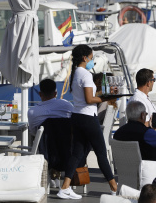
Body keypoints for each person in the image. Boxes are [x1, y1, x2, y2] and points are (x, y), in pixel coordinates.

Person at [57, 44, 118, 200]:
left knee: (76, 153)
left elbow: (87, 95)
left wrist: (104, 93)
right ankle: (114, 188)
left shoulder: (76, 72)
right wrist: (107, 98)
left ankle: (65, 187)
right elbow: (90, 99)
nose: (93, 61)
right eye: (92, 58)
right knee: (101, 153)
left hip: (77, 116)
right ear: (85, 58)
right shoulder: (85, 74)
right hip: (87, 118)